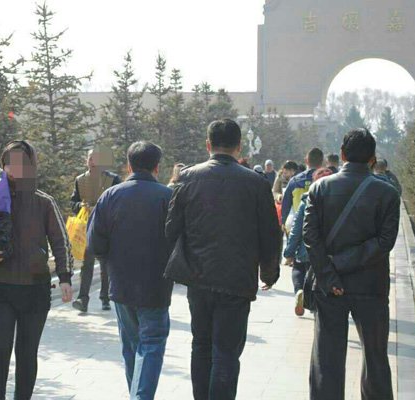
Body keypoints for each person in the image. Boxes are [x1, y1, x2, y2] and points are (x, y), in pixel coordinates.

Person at [165, 119, 280, 400]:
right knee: (226, 352)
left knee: (201, 346)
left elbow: (171, 228)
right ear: (239, 147)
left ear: (208, 144)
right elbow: (270, 233)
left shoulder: (188, 178)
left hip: (198, 277)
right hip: (237, 279)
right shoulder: (256, 182)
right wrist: (269, 273)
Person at [0, 140, 74, 400]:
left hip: (35, 290)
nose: (14, 168)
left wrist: (65, 278)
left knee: (26, 353)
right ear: (3, 166)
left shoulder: (44, 202)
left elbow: (60, 241)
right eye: (9, 163)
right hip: (1, 288)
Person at [304, 128, 400, 400]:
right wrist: (343, 263)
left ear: (342, 154)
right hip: (371, 285)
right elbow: (385, 242)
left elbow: (310, 237)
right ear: (373, 157)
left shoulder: (319, 188)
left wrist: (329, 272)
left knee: (326, 358)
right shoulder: (387, 193)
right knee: (375, 357)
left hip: (329, 285)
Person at [88, 141, 174, 400]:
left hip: (121, 284)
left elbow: (95, 244)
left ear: (128, 166)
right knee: (151, 344)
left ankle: (136, 394)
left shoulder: (110, 196)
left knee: (133, 346)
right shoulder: (167, 197)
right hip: (156, 285)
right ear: (157, 167)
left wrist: (113, 263)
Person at [70, 145, 121, 313]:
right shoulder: (80, 180)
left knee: (105, 264)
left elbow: (118, 203)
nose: (92, 162)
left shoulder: (113, 180)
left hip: (106, 227)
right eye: (90, 158)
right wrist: (80, 206)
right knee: (87, 264)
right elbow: (73, 202)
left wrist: (99, 208)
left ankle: (105, 298)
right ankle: (82, 299)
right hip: (86, 227)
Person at [284, 167, 332, 316]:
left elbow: (296, 229)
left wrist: (289, 252)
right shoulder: (337, 202)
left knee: (298, 269)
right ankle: (316, 306)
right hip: (329, 252)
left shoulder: (306, 201)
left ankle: (300, 291)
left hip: (307, 249)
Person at [280, 148, 324, 230]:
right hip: (321, 226)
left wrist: (283, 222)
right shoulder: (327, 180)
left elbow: (286, 204)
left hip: (299, 226)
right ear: (322, 162)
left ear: (306, 161)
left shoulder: (294, 181)